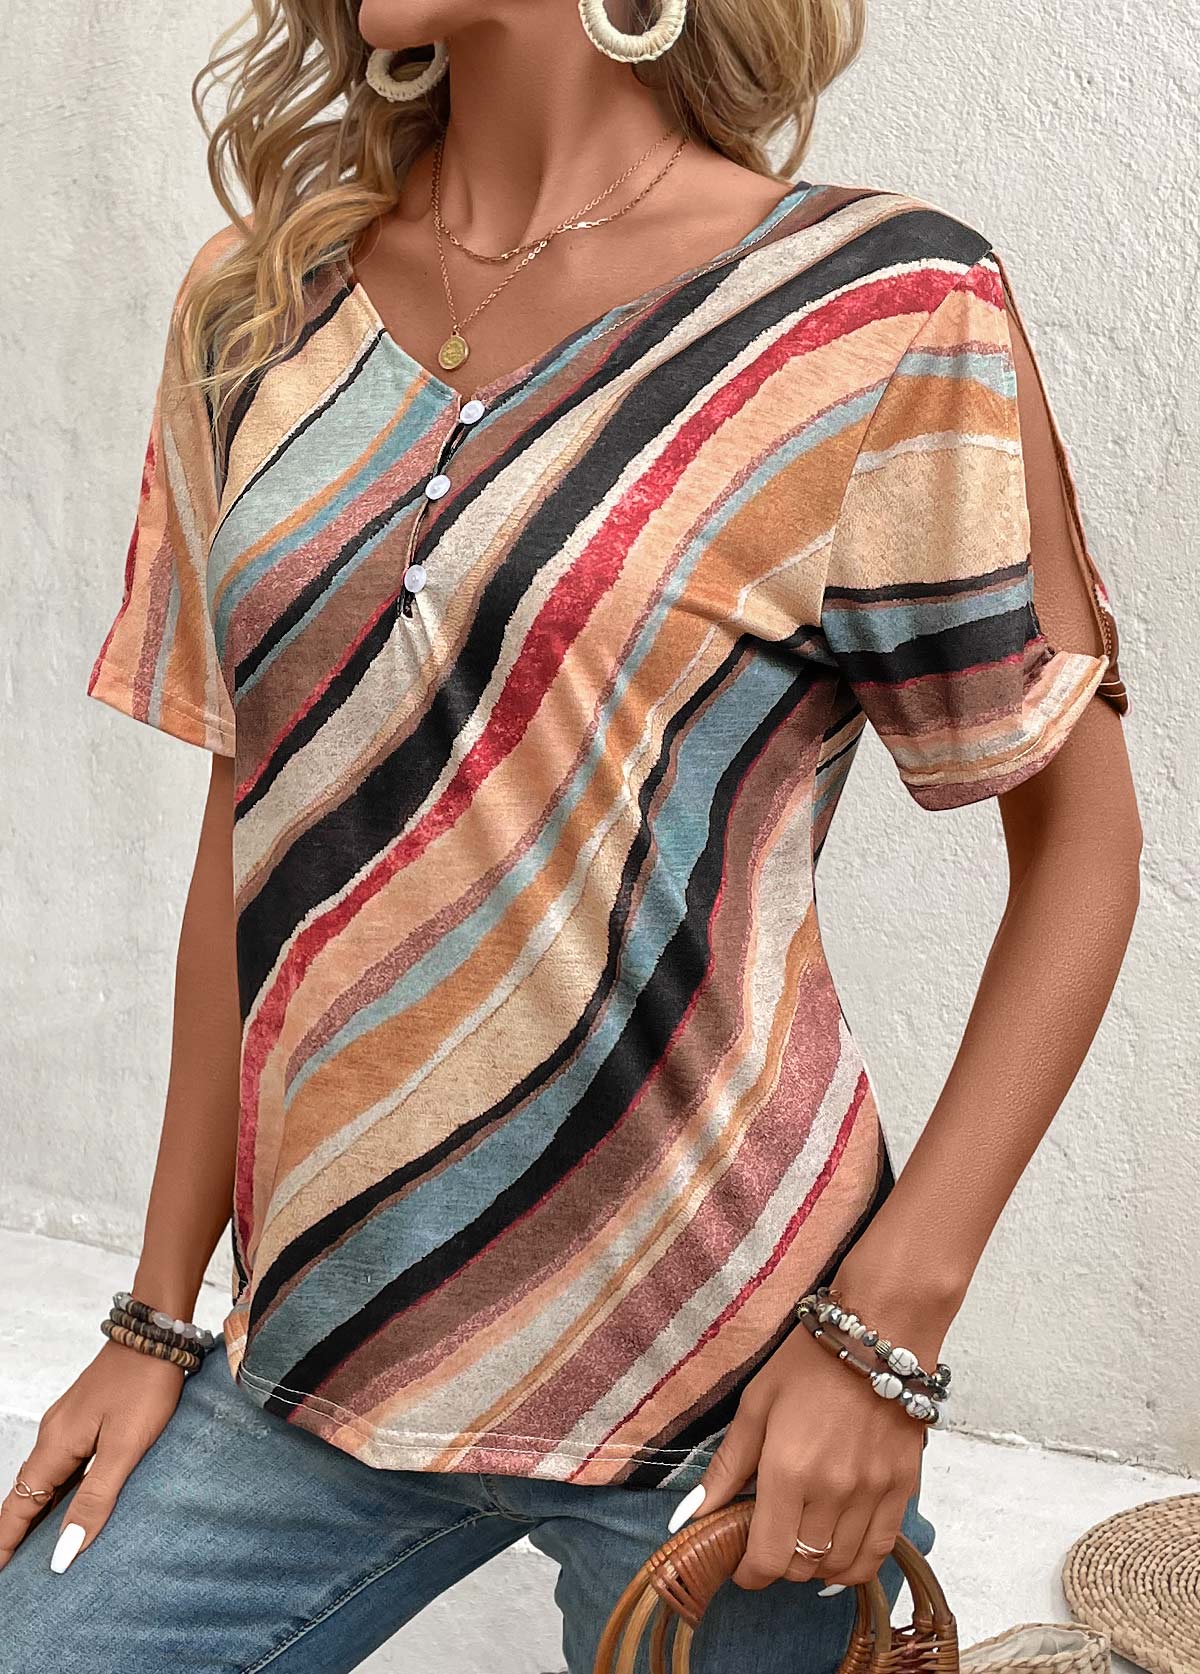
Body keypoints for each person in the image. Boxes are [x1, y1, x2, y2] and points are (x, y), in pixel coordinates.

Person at [0, 0, 1141, 1669]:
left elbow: (1084, 847)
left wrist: (883, 1342)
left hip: (731, 1384)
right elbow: (247, 827)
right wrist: (157, 1313)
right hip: (315, 1344)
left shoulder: (882, 309)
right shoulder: (253, 308)